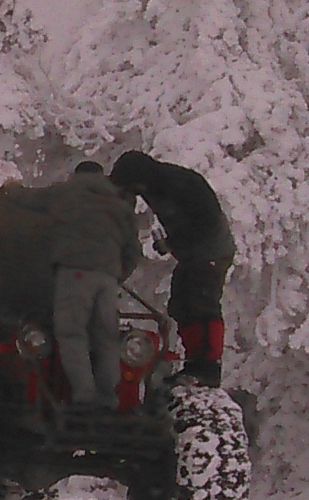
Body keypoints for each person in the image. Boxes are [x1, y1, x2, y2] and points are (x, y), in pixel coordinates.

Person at [110, 150, 236, 387]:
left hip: (213, 250)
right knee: (180, 304)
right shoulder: (152, 186)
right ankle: (194, 362)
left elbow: (206, 224)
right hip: (192, 253)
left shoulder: (183, 184)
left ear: (139, 181)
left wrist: (173, 243)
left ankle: (208, 367)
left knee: (201, 303)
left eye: (131, 189)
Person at [49, 160, 140, 410]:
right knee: (107, 336)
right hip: (107, 279)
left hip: (75, 274)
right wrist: (116, 275)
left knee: (71, 332)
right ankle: (109, 396)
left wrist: (11, 191)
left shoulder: (68, 198)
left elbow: (38, 212)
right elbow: (133, 251)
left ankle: (84, 395)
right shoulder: (118, 205)